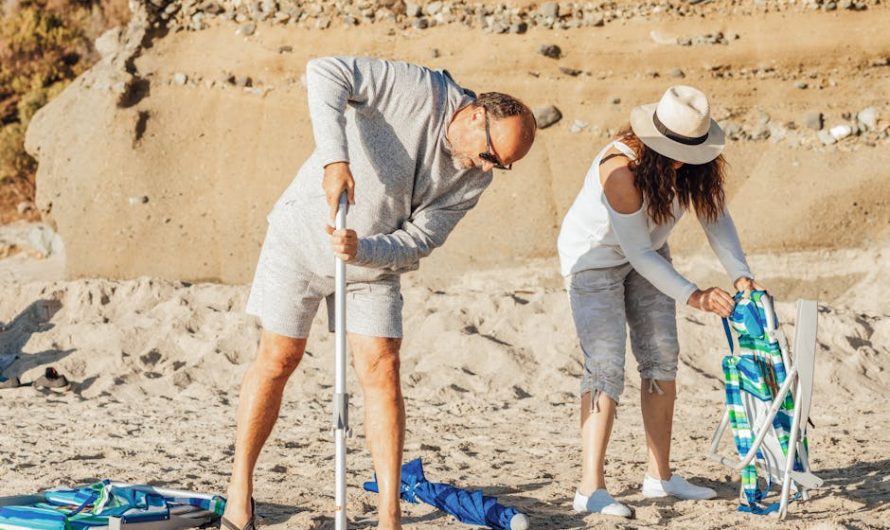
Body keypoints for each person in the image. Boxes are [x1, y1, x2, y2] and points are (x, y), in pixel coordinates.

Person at [220, 56, 537, 530]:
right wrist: (335, 159)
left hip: (373, 262)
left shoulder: (476, 176)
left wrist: (362, 250)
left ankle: (390, 514)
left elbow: (421, 239)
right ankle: (239, 490)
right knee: (280, 358)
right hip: (300, 240)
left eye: (501, 165)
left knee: (383, 367)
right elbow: (326, 71)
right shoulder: (418, 89)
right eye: (491, 155)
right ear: (475, 116)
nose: (488, 167)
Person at [557, 85, 762, 517]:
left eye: (689, 153)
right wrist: (695, 296)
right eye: (674, 153)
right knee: (606, 364)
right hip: (594, 261)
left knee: (661, 356)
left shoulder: (695, 165)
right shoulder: (620, 172)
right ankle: (590, 488)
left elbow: (715, 217)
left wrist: (740, 273)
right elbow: (638, 253)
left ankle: (659, 476)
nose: (681, 162)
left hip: (648, 253)